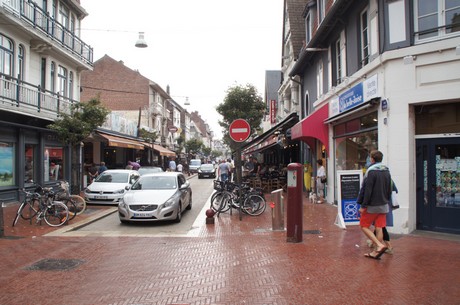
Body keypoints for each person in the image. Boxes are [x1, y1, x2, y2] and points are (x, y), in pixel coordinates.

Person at [356, 150, 392, 259]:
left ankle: (379, 245)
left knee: (363, 226)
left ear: (372, 159)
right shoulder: (386, 171)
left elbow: (367, 190)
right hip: (384, 204)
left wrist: (363, 205)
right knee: (379, 227)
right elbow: (389, 188)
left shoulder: (371, 172)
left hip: (372, 205)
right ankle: (376, 251)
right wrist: (386, 200)